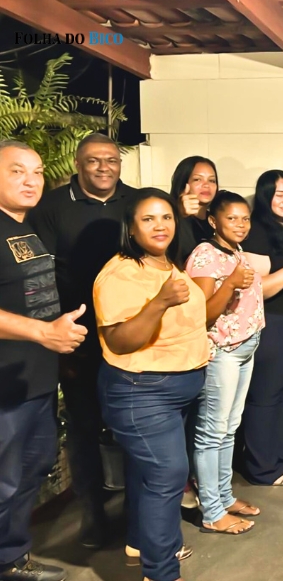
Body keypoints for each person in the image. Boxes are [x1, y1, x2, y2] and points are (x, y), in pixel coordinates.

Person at [94, 188, 208, 581]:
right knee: (167, 475)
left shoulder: (166, 263)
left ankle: (140, 545)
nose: (160, 226)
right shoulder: (120, 274)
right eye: (148, 219)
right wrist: (158, 302)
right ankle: (160, 572)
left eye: (166, 217)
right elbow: (120, 341)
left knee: (151, 475)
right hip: (141, 391)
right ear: (131, 227)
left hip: (176, 389)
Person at [28, 133, 133, 548]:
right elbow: (40, 278)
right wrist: (55, 341)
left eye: (111, 159)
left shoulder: (135, 201)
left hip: (132, 336)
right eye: (94, 160)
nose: (104, 167)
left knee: (132, 426)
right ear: (77, 163)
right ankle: (92, 515)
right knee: (85, 427)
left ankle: (135, 513)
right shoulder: (52, 207)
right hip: (78, 338)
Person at [0, 140, 88, 581]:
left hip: (37, 381)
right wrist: (41, 332)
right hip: (5, 388)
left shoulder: (26, 227)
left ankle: (11, 559)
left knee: (29, 473)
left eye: (36, 171)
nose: (31, 180)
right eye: (17, 171)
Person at [186, 191, 264, 534]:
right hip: (223, 351)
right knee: (212, 432)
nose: (241, 224)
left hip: (245, 347)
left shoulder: (236, 250)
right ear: (213, 221)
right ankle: (212, 511)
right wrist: (231, 283)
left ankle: (224, 496)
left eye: (245, 218)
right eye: (231, 218)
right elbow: (201, 313)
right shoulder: (205, 255)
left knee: (229, 428)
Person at [239, 170, 283, 486]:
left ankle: (281, 462)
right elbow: (258, 289)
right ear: (265, 195)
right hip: (270, 322)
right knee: (266, 396)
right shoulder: (255, 231)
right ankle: (261, 468)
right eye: (279, 193)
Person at [169, 156, 219, 264]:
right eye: (197, 179)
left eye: (212, 180)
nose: (206, 185)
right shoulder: (172, 217)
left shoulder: (217, 220)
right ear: (183, 183)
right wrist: (178, 214)